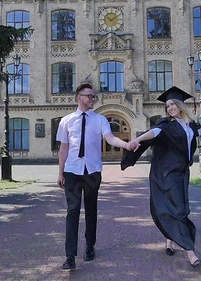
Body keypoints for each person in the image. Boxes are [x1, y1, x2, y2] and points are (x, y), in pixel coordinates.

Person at [121, 86, 201, 268]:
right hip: (167, 173)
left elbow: (192, 136)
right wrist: (137, 140)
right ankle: (191, 252)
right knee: (178, 209)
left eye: (173, 104)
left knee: (179, 206)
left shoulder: (189, 125)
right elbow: (154, 132)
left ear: (181, 105)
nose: (170, 108)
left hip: (182, 172)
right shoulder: (166, 124)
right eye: (167, 105)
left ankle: (169, 239)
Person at [56, 83, 135, 270]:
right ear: (79, 97)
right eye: (90, 96)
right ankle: (70, 256)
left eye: (94, 97)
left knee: (91, 210)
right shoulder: (66, 121)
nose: (93, 99)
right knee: (72, 211)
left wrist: (125, 145)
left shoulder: (100, 120)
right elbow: (63, 148)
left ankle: (90, 246)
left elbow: (110, 138)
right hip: (72, 171)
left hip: (92, 172)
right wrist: (60, 172)